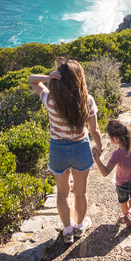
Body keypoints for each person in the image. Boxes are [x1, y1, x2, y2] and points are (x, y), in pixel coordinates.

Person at [29, 59, 103, 244]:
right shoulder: (87, 100)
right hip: (81, 148)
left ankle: (67, 230)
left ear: (59, 79)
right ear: (79, 79)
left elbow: (32, 80)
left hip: (58, 149)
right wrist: (99, 146)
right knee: (80, 192)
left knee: (62, 193)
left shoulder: (49, 100)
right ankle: (79, 226)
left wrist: (48, 78)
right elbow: (94, 130)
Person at [92, 119, 131, 227]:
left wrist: (97, 158)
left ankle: (126, 215)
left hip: (122, 185)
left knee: (123, 202)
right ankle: (130, 214)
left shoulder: (116, 154)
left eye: (110, 138)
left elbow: (105, 172)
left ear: (115, 138)